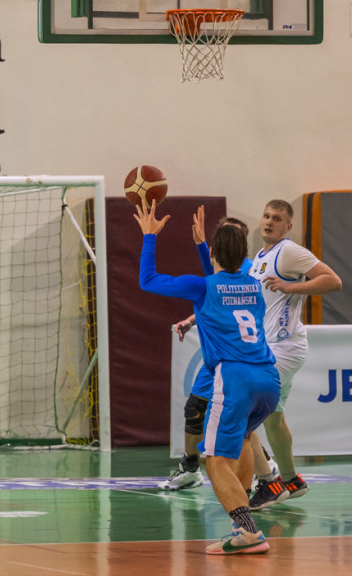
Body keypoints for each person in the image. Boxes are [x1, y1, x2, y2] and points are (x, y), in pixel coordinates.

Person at [136, 202, 280, 555]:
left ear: (215, 252)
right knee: (245, 439)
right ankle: (240, 526)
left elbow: (148, 280)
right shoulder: (254, 285)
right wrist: (205, 247)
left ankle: (248, 532)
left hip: (234, 380)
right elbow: (223, 281)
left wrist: (150, 236)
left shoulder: (202, 287)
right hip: (268, 379)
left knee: (215, 461)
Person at [246, 199, 342, 512]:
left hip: (282, 348)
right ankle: (291, 480)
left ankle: (268, 484)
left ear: (288, 226)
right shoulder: (260, 257)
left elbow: (332, 280)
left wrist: (290, 287)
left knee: (241, 412)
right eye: (266, 216)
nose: (269, 221)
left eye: (277, 218)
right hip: (274, 347)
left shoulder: (289, 251)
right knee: (273, 418)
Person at [160, 209, 256, 492]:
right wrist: (191, 320)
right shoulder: (217, 269)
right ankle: (190, 468)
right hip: (218, 356)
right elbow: (214, 295)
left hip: (241, 355)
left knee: (244, 421)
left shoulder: (249, 270)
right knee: (195, 409)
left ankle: (263, 469)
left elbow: (227, 298)